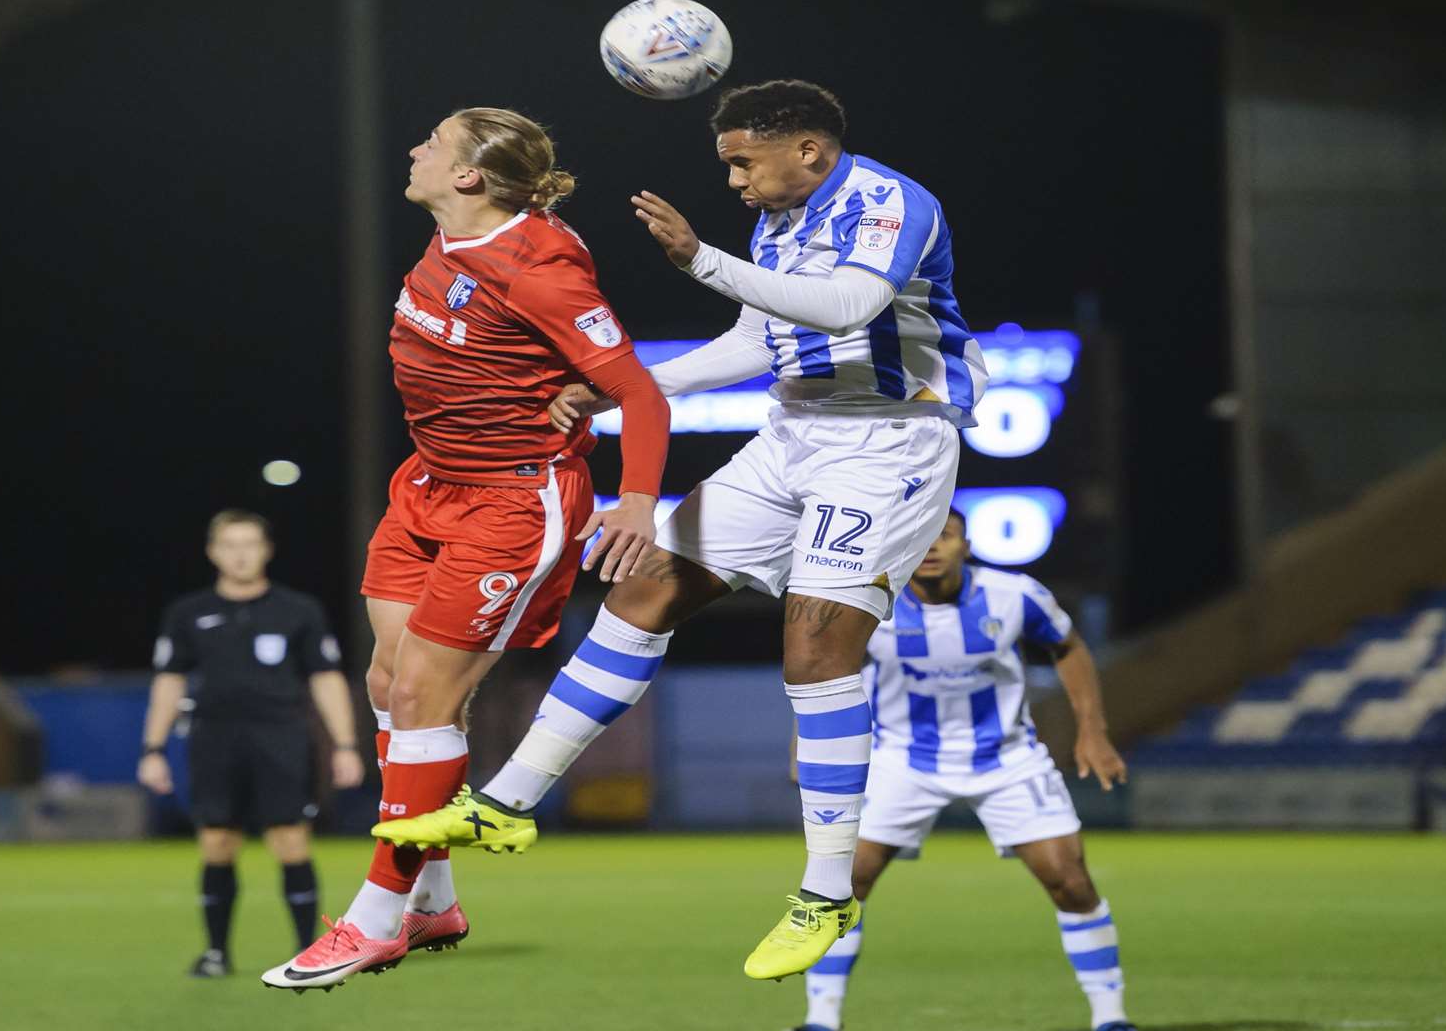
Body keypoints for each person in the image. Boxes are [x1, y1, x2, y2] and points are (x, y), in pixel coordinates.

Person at [376, 79, 985, 981]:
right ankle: (506, 802)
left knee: (815, 649)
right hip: (792, 433)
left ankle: (824, 893)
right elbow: (756, 342)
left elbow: (850, 308)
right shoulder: (782, 223)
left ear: (807, 151)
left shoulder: (887, 202)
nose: (735, 180)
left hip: (890, 442)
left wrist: (699, 259)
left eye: (744, 161)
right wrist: (633, 390)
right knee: (645, 585)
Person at [260, 107, 671, 993]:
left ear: (469, 178)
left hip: (512, 502)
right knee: (385, 684)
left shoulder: (539, 268)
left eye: (431, 145)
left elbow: (638, 392)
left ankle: (373, 920)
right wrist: (563, 380)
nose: (413, 150)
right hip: (428, 485)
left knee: (423, 694)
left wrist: (635, 501)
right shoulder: (458, 237)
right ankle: (435, 897)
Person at [791, 508, 1135, 1031]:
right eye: (919, 538)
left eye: (944, 536)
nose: (931, 547)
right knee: (845, 880)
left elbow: (1067, 646)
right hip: (901, 758)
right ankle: (821, 1020)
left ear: (965, 545)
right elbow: (825, 672)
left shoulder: (1014, 594)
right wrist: (807, 742)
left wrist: (1093, 730)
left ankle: (1110, 1017)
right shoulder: (869, 601)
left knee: (1070, 881)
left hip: (1006, 757)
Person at [137, 509, 364, 978]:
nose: (240, 554)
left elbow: (325, 678)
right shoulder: (188, 613)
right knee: (217, 841)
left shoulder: (298, 610)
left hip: (281, 738)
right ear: (212, 552)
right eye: (230, 545)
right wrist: (153, 749)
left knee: (290, 839)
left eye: (250, 544)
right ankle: (216, 952)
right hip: (213, 740)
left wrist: (345, 744)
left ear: (267, 550)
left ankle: (308, 951)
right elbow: (169, 681)